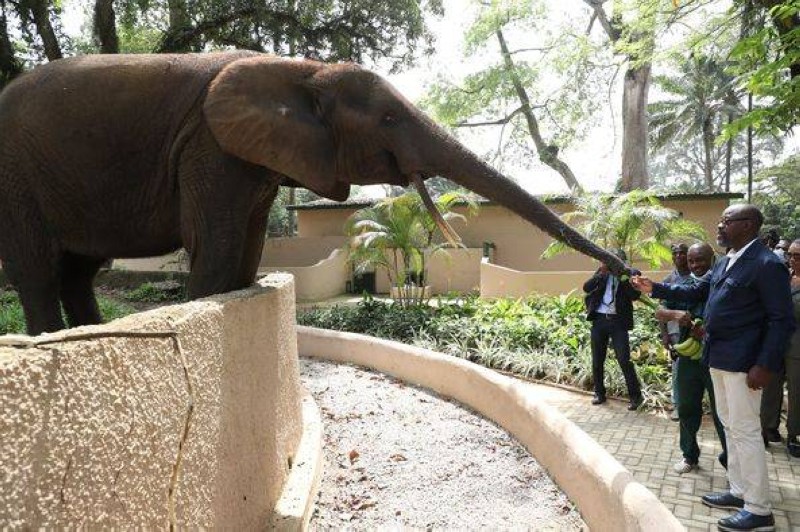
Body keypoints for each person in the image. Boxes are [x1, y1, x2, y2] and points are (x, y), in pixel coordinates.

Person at [631, 204, 795, 532]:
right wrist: (655, 288)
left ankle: (759, 510)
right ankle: (739, 491)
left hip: (744, 364)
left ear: (747, 225)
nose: (718, 228)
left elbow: (781, 320)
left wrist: (765, 364)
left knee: (746, 432)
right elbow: (696, 290)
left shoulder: (767, 264)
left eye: (726, 222)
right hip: (718, 360)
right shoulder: (726, 262)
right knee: (731, 427)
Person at [654, 243, 727, 474]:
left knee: (721, 412)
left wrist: (706, 329)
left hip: (716, 357)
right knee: (686, 407)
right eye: (692, 261)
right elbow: (660, 311)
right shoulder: (684, 285)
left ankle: (730, 460)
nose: (695, 265)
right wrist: (676, 315)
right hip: (688, 356)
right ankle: (689, 455)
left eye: (701, 260)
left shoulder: (721, 285)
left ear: (712, 259)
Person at [583, 248, 644, 411]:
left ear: (622, 262)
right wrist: (601, 273)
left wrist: (622, 277)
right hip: (599, 320)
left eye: (615, 260)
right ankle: (599, 393)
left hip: (618, 322)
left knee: (624, 359)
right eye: (609, 260)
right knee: (597, 359)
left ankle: (636, 397)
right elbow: (586, 287)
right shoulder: (601, 272)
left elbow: (635, 296)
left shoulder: (632, 273)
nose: (612, 264)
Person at [760, 238, 800, 457]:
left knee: (796, 391)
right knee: (770, 388)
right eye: (791, 255)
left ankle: (794, 434)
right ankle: (767, 428)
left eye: (798, 256)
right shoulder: (784, 277)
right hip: (776, 342)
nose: (793, 260)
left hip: (797, 347)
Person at [659, 243, 693, 421]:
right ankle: (678, 405)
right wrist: (664, 334)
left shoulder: (698, 277)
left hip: (696, 331)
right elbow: (661, 310)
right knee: (678, 370)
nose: (679, 256)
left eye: (682, 252)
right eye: (676, 253)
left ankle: (694, 403)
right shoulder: (667, 281)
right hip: (675, 333)